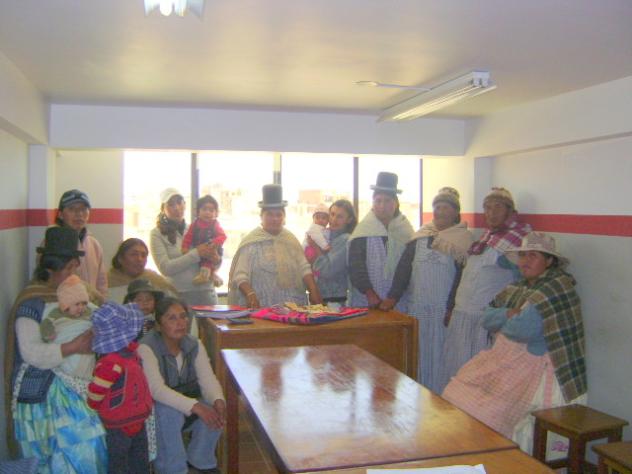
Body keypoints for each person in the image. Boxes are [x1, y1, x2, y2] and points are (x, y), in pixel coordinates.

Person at [443, 232, 587, 454]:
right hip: (507, 360)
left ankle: (497, 458)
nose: (525, 261)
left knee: (486, 414)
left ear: (549, 261)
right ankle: (471, 454)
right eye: (522, 255)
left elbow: (523, 330)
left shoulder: (556, 288)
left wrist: (503, 318)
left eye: (533, 255)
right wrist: (509, 313)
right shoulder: (519, 287)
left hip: (536, 367)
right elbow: (486, 318)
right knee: (454, 391)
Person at [4, 226, 107, 471]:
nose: (74, 274)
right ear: (52, 267)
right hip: (42, 396)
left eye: (75, 268)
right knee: (63, 456)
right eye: (69, 268)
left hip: (76, 385)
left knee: (88, 452)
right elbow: (30, 352)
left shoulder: (76, 296)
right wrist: (74, 346)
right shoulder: (33, 301)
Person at [438, 187, 531, 392]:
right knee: (455, 369)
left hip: (483, 322)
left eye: (497, 207)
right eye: (487, 208)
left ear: (510, 211)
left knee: (477, 375)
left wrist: (507, 317)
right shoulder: (486, 238)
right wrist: (452, 307)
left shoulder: (517, 242)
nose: (491, 213)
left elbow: (522, 284)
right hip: (462, 316)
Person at [380, 188, 473, 392]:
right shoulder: (421, 236)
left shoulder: (463, 240)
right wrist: (393, 297)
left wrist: (451, 307)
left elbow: (462, 278)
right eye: (437, 207)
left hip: (442, 311)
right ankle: (418, 394)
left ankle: (440, 395)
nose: (440, 212)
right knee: (418, 351)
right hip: (419, 307)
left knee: (441, 352)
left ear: (455, 212)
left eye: (445, 207)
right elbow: (404, 269)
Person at [138, 297, 225, 474]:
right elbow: (157, 390)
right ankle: (172, 468)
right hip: (153, 412)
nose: (180, 323)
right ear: (159, 324)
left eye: (183, 316)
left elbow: (207, 379)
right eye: (172, 318)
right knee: (169, 413)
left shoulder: (194, 344)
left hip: (185, 403)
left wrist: (218, 399)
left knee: (214, 408)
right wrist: (195, 406)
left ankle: (201, 461)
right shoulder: (146, 347)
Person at [227, 184, 323, 308]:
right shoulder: (251, 243)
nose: (275, 219)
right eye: (270, 214)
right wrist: (250, 294)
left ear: (284, 218)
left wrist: (313, 291)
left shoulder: (291, 241)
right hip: (261, 307)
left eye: (279, 215)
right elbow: (240, 275)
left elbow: (304, 268)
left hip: (293, 307)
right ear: (261, 217)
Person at [88, 302, 153, 474]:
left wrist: (93, 404)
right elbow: (97, 392)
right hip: (130, 418)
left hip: (124, 420)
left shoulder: (113, 360)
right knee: (132, 460)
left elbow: (96, 393)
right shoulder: (125, 357)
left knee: (124, 462)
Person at [348, 172, 414, 310]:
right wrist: (369, 293)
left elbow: (406, 267)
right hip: (366, 300)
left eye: (387, 201)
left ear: (396, 203)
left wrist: (393, 297)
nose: (382, 206)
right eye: (378, 201)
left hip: (398, 301)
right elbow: (356, 266)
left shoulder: (405, 231)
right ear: (373, 203)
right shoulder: (363, 231)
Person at [150, 188, 220, 309]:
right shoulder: (157, 234)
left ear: (185, 205)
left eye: (179, 202)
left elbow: (213, 262)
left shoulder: (196, 228)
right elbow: (165, 268)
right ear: (163, 209)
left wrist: (216, 259)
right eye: (171, 204)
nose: (177, 208)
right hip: (178, 296)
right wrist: (196, 254)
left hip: (207, 293)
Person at [39, 274, 95, 380]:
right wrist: (48, 334)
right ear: (66, 305)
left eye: (84, 304)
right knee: (71, 359)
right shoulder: (56, 313)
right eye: (77, 304)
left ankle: (84, 372)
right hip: (67, 342)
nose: (81, 308)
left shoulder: (89, 312)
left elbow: (99, 317)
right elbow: (46, 324)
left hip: (86, 345)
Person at [55, 189, 108, 301]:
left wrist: (100, 303)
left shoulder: (94, 244)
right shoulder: (53, 242)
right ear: (60, 214)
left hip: (91, 307)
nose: (79, 214)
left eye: (83, 209)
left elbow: (101, 282)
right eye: (72, 209)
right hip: (65, 306)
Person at [305, 199, 357, 304]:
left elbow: (326, 270)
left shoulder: (345, 239)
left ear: (349, 219)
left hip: (333, 299)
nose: (334, 219)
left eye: (340, 216)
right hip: (318, 296)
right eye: (332, 214)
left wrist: (315, 247)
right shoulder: (325, 235)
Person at [108, 238, 178, 303]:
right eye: (133, 254)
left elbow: (173, 303)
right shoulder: (106, 282)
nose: (139, 259)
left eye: (143, 255)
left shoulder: (154, 280)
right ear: (120, 259)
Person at [182, 195, 227, 287]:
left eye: (211, 210)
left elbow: (223, 236)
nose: (207, 212)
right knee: (202, 260)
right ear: (197, 211)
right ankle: (212, 276)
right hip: (200, 250)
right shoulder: (194, 225)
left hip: (213, 249)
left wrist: (214, 242)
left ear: (216, 213)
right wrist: (185, 247)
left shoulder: (215, 225)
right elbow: (188, 237)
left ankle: (205, 275)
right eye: (204, 209)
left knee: (208, 261)